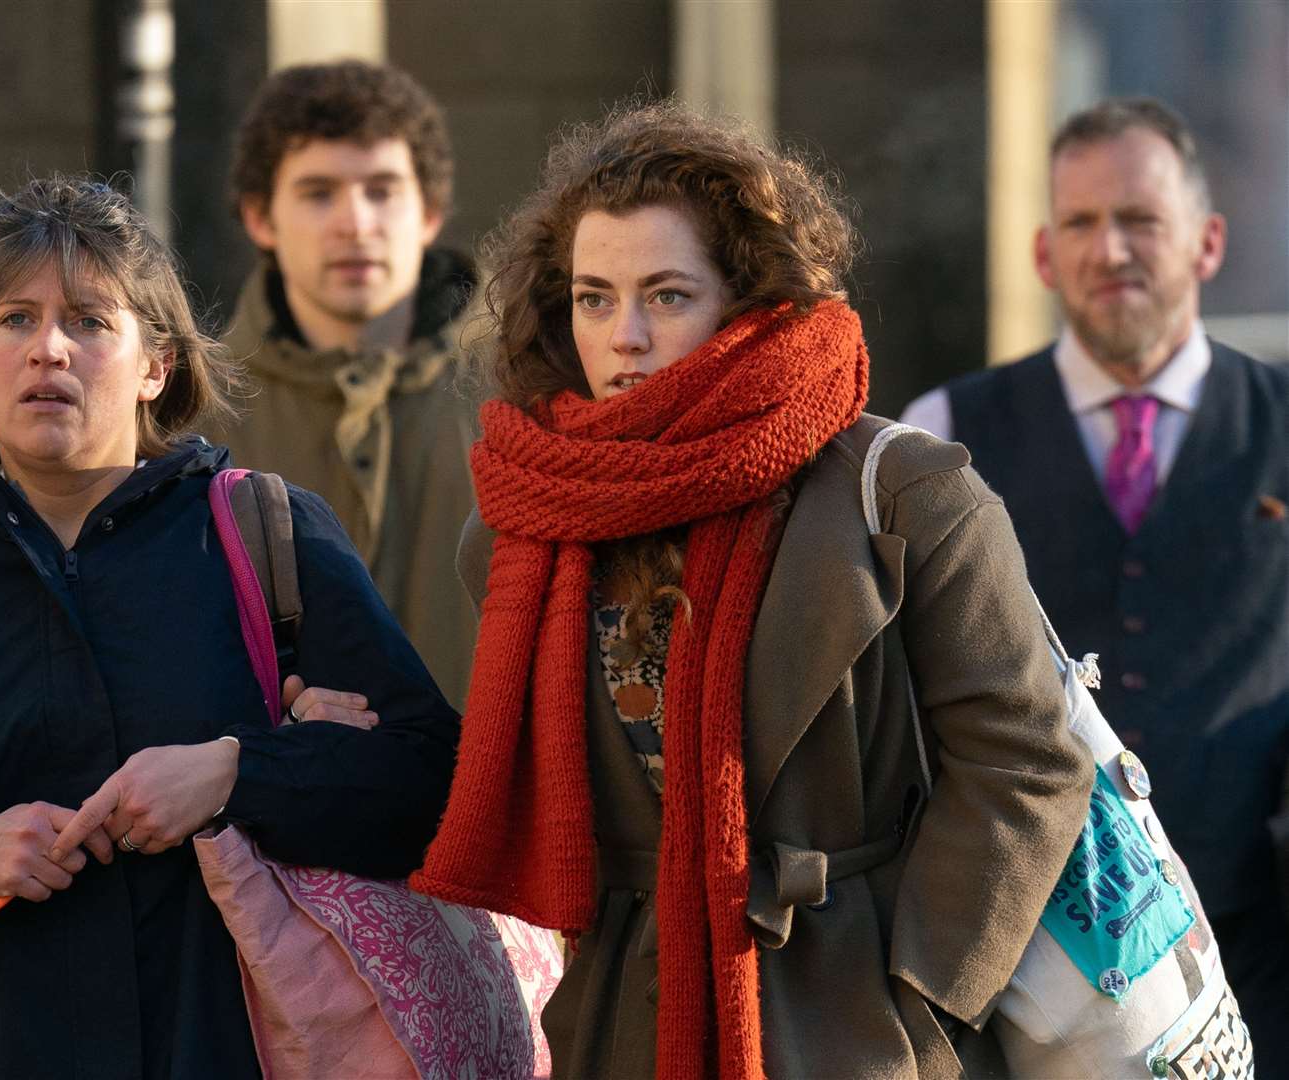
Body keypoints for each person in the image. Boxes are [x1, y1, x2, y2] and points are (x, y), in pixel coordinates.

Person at [407, 101, 1095, 1078]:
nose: (625, 336)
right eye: (594, 297)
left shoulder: (901, 494)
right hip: (621, 1022)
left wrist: (923, 994)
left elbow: (1025, 757)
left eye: (667, 295)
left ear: (749, 297)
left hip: (850, 1018)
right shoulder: (528, 520)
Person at [0, 176, 459, 1079]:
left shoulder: (270, 535)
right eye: (16, 320)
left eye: (90, 321)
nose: (49, 351)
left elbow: (432, 781)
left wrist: (234, 773)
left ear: (158, 365)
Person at [900, 97, 1289, 1059]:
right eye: (1080, 223)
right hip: (1033, 988)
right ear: (1041, 254)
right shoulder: (943, 433)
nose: (1110, 249)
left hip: (1262, 963)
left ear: (1207, 241)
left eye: (1140, 221)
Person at [218, 59, 480, 706]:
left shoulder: (522, 389)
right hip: (275, 798)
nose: (355, 224)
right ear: (260, 219)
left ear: (430, 213)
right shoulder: (196, 412)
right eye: (318, 193)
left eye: (383, 189)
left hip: (499, 794)